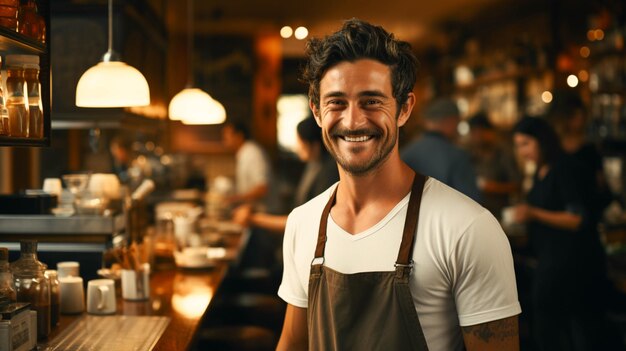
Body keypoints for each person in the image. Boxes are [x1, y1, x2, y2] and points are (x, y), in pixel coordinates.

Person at [277, 19, 520, 351]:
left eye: (372, 101)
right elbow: (292, 344)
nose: (352, 121)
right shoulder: (302, 223)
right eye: (337, 102)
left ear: (404, 108)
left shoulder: (467, 229)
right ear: (317, 112)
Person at [511, 116, 609, 351]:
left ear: (542, 141)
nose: (522, 151)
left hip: (573, 263)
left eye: (526, 144)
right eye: (518, 145)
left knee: (569, 330)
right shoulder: (540, 171)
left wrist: (533, 213)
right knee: (551, 328)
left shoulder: (565, 168)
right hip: (552, 260)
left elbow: (576, 218)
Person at [233, 117, 339, 232]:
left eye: (299, 141)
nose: (297, 147)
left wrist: (253, 218)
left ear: (314, 144)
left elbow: (309, 220)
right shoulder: (313, 165)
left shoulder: (328, 172)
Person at [401, 97, 481, 202]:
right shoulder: (457, 156)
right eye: (457, 122)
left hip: (410, 217)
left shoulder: (405, 153)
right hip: (450, 216)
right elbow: (472, 201)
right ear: (450, 121)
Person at [466, 112, 521, 216]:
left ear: (490, 132)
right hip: (472, 213)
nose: (478, 136)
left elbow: (517, 185)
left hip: (498, 214)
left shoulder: (503, 154)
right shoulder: (468, 154)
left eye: (481, 131)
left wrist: (494, 187)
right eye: (474, 132)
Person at [221, 120, 271, 209]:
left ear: (239, 136)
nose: (225, 140)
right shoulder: (244, 153)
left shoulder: (252, 153)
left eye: (227, 136)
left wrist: (235, 199)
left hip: (264, 212)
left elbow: (262, 188)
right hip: (253, 211)